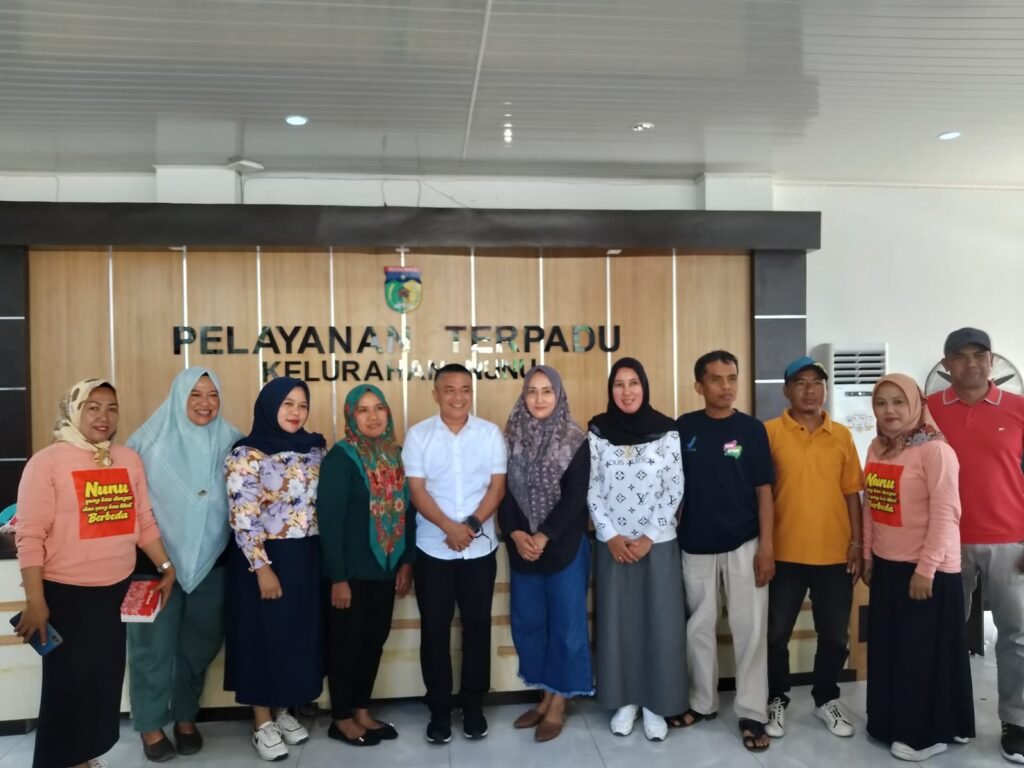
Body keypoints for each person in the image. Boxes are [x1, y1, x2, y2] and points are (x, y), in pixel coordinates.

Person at [14, 379, 176, 768]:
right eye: (93, 407)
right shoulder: (47, 462)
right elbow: (30, 535)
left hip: (114, 592)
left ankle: (83, 757)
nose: (104, 417)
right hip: (65, 595)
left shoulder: (126, 459)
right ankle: (62, 760)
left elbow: (142, 520)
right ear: (74, 410)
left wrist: (166, 566)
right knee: (67, 688)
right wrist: (36, 601)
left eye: (111, 408)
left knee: (101, 683)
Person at [126, 367, 242, 762]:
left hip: (213, 562)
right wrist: (160, 560)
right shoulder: (143, 443)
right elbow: (131, 508)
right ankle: (150, 725)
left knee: (200, 645)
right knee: (152, 649)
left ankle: (186, 718)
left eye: (212, 395)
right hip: (150, 562)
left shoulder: (234, 441)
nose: (205, 403)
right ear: (179, 397)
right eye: (195, 394)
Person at [863, 373, 975, 762]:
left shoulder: (935, 451)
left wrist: (926, 569)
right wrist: (868, 555)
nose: (889, 411)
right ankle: (900, 722)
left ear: (916, 405)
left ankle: (925, 735)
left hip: (928, 569)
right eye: (881, 403)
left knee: (920, 656)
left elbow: (947, 514)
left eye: (898, 402)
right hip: (888, 564)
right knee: (891, 650)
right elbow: (870, 504)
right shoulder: (878, 447)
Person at [926, 327, 1024, 763]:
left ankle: (1016, 721)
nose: (971, 363)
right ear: (946, 365)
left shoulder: (1019, 408)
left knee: (1016, 635)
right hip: (947, 541)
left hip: (1011, 541)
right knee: (945, 632)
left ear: (992, 361)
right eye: (961, 356)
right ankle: (949, 713)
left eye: (979, 355)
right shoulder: (927, 410)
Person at [675, 350, 775, 753]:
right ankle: (702, 702)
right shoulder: (683, 428)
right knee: (698, 629)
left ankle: (751, 712)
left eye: (732, 378)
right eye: (716, 379)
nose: (726, 386)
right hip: (695, 544)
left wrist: (767, 547)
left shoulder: (751, 430)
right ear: (699, 386)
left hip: (744, 544)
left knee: (750, 629)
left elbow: (764, 491)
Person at [223, 377, 327, 762]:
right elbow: (242, 515)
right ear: (269, 406)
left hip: (307, 555)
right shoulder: (246, 453)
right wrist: (261, 567)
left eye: (302, 404)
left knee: (294, 636)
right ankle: (262, 721)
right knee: (262, 637)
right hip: (264, 558)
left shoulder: (315, 449)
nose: (296, 412)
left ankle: (283, 709)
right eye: (287, 404)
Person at [403, 363, 507, 744]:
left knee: (478, 627)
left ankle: (474, 706)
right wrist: (450, 528)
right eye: (449, 389)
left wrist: (471, 526)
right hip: (433, 549)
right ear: (436, 394)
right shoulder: (418, 436)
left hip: (479, 549)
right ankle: (439, 710)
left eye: (465, 389)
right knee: (434, 630)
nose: (458, 397)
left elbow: (497, 488)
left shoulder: (490, 434)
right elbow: (417, 491)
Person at [763, 356, 864, 740]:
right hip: (783, 555)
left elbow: (852, 493)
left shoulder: (842, 435)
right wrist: (764, 547)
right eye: (801, 382)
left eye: (817, 382)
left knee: (835, 636)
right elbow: (761, 493)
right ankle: (776, 698)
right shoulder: (769, 433)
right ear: (786, 390)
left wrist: (856, 543)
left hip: (834, 555)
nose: (810, 390)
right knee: (776, 635)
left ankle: (826, 698)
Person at [587, 357, 686, 742]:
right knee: (619, 625)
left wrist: (648, 537)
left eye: (633, 383)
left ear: (644, 387)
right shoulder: (598, 430)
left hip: (656, 545)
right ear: (610, 390)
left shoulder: (667, 430)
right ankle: (625, 701)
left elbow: (675, 487)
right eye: (619, 384)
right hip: (612, 545)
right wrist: (610, 535)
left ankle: (655, 703)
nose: (626, 391)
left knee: (658, 624)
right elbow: (591, 487)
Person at [317, 384, 416, 747]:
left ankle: (361, 710)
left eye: (379, 408)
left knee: (374, 641)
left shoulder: (396, 455)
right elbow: (330, 522)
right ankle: (341, 718)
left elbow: (409, 512)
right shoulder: (340, 459)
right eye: (363, 410)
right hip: (350, 574)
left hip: (385, 569)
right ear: (351, 416)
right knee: (346, 645)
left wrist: (407, 562)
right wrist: (338, 577)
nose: (373, 417)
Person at [500, 366, 593, 742]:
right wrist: (517, 533)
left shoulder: (575, 438)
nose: (539, 399)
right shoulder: (510, 438)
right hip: (523, 547)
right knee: (529, 623)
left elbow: (576, 497)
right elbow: (501, 492)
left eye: (546, 391)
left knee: (567, 627)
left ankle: (559, 702)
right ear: (523, 396)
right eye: (532, 391)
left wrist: (544, 535)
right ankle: (544, 696)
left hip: (564, 546)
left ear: (559, 395)